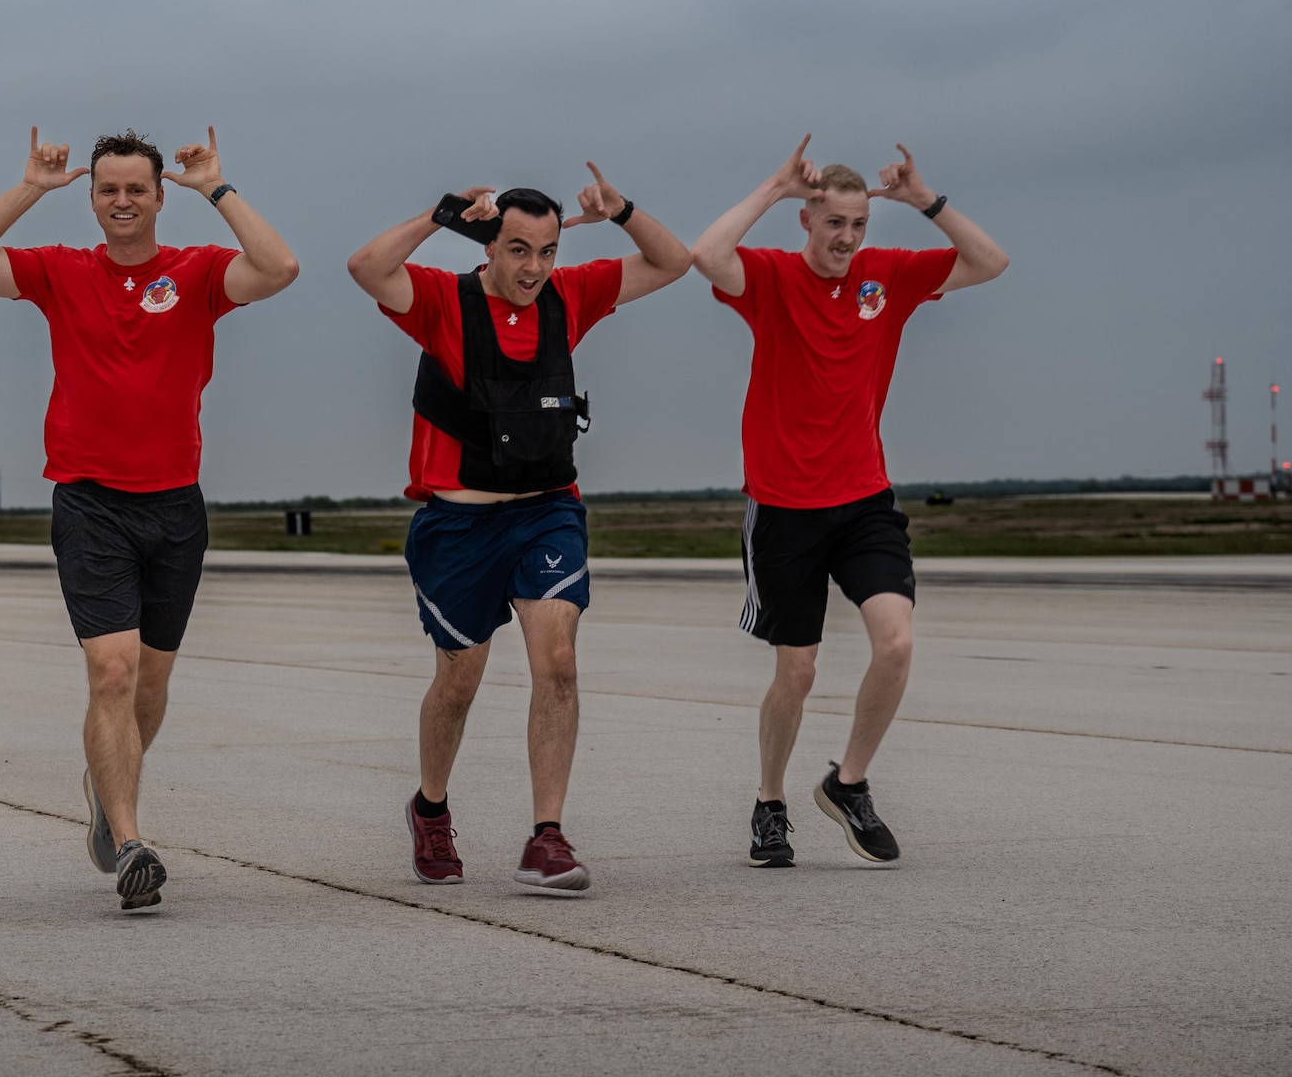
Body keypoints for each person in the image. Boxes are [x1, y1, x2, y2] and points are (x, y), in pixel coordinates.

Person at [0, 127, 299, 911]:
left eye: (138, 188)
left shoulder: (197, 273)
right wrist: (32, 187)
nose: (123, 201)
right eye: (109, 189)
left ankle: (107, 789)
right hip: (90, 500)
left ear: (160, 196)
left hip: (175, 505)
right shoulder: (61, 271)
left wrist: (219, 190)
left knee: (149, 686)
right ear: (93, 198)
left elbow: (280, 268)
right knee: (112, 670)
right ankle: (132, 840)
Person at [347, 168, 691, 892]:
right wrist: (441, 214)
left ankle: (548, 837)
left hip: (546, 510)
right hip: (459, 524)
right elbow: (367, 267)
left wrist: (623, 210)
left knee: (558, 659)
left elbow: (672, 262)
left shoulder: (572, 294)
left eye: (546, 250)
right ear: (489, 246)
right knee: (459, 680)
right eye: (516, 249)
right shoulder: (443, 299)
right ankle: (431, 808)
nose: (533, 268)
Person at [691, 138, 1008, 868]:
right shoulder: (769, 276)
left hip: (864, 497)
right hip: (783, 506)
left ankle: (849, 782)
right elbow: (707, 255)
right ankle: (770, 803)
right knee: (795, 671)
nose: (848, 238)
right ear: (806, 220)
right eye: (835, 223)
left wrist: (925, 201)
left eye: (860, 224)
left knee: (896, 642)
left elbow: (990, 262)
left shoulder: (887, 279)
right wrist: (770, 187)